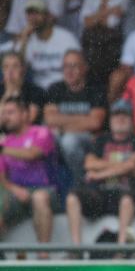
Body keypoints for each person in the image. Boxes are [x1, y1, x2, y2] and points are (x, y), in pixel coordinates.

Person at [65, 99, 135, 247]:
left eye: (125, 116)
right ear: (110, 120)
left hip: (128, 194)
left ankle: (122, 248)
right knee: (72, 197)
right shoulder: (101, 140)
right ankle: (76, 248)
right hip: (101, 194)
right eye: (116, 116)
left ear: (132, 121)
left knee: (127, 199)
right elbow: (89, 163)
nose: (120, 119)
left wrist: (99, 173)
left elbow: (132, 165)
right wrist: (121, 166)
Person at [0, 98, 56, 252]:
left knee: (39, 197)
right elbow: (2, 177)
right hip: (16, 191)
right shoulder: (6, 141)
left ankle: (43, 255)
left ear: (25, 114)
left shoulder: (41, 132)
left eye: (10, 112)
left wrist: (2, 148)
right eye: (3, 113)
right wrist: (14, 189)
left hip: (46, 189)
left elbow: (33, 153)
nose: (5, 117)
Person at [44, 50, 106, 184]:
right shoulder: (55, 89)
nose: (69, 71)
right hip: (63, 135)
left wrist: (62, 124)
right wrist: (83, 120)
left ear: (84, 68)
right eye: (66, 66)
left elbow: (95, 123)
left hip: (88, 141)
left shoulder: (96, 89)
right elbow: (50, 120)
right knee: (48, 136)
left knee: (69, 140)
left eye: (74, 66)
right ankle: (49, 182)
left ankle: (82, 182)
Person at [79, 0, 131, 91]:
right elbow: (86, 23)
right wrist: (109, 11)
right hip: (93, 47)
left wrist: (96, 15)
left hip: (114, 46)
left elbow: (112, 23)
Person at [14, 0, 81, 91]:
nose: (33, 17)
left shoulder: (66, 37)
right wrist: (24, 39)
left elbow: (79, 66)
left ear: (47, 16)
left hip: (63, 89)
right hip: (38, 90)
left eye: (37, 13)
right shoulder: (26, 39)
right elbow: (16, 66)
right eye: (30, 14)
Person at [0, 50, 44, 124]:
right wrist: (8, 94)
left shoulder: (35, 91)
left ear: (23, 69)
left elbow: (30, 118)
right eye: (6, 67)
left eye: (15, 66)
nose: (10, 71)